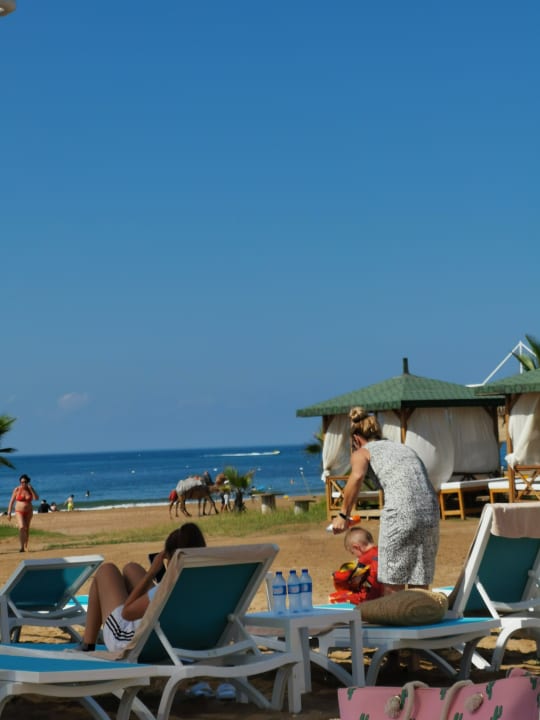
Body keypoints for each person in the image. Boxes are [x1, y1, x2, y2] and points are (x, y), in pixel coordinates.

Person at [332, 406, 439, 595]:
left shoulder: (362, 452)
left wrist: (343, 515)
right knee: (419, 574)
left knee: (392, 577)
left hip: (401, 510)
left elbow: (356, 477)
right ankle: (420, 610)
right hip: (430, 511)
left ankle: (394, 612)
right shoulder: (403, 448)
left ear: (356, 439)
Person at [78, 522, 207, 652]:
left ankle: (87, 644)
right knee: (131, 568)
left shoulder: (165, 590)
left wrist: (151, 573)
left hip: (130, 640)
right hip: (179, 639)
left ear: (171, 559)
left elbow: (126, 613)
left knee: (106, 570)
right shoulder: (205, 584)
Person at [329, 526, 382, 604]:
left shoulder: (364, 560)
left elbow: (349, 576)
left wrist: (336, 575)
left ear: (357, 547)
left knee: (334, 598)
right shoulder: (381, 551)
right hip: (389, 594)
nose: (356, 557)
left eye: (353, 552)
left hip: (372, 599)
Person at [7, 474, 39, 552]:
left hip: (29, 511)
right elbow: (11, 501)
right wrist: (9, 512)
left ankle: (25, 546)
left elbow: (36, 498)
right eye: (21, 482)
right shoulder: (17, 489)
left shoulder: (30, 489)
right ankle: (21, 547)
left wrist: (31, 489)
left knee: (27, 528)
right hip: (19, 511)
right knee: (21, 527)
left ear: (27, 482)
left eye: (24, 482)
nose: (23, 483)